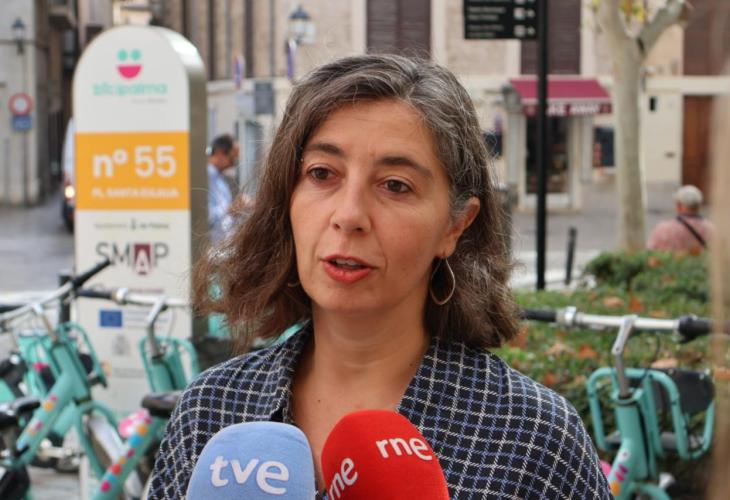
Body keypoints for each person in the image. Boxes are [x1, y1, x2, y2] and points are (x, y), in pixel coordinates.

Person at [149, 54, 611, 499]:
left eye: (395, 185)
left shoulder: (533, 440)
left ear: (455, 225)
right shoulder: (211, 412)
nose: (349, 215)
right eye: (322, 174)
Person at [647, 184, 713, 252]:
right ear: (699, 206)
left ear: (678, 205)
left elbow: (650, 251)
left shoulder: (663, 229)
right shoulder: (711, 229)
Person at [207, 134, 240, 244]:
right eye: (232, 159)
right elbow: (205, 215)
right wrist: (231, 209)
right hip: (210, 245)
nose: (234, 164)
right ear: (220, 153)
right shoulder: (206, 177)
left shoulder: (220, 179)